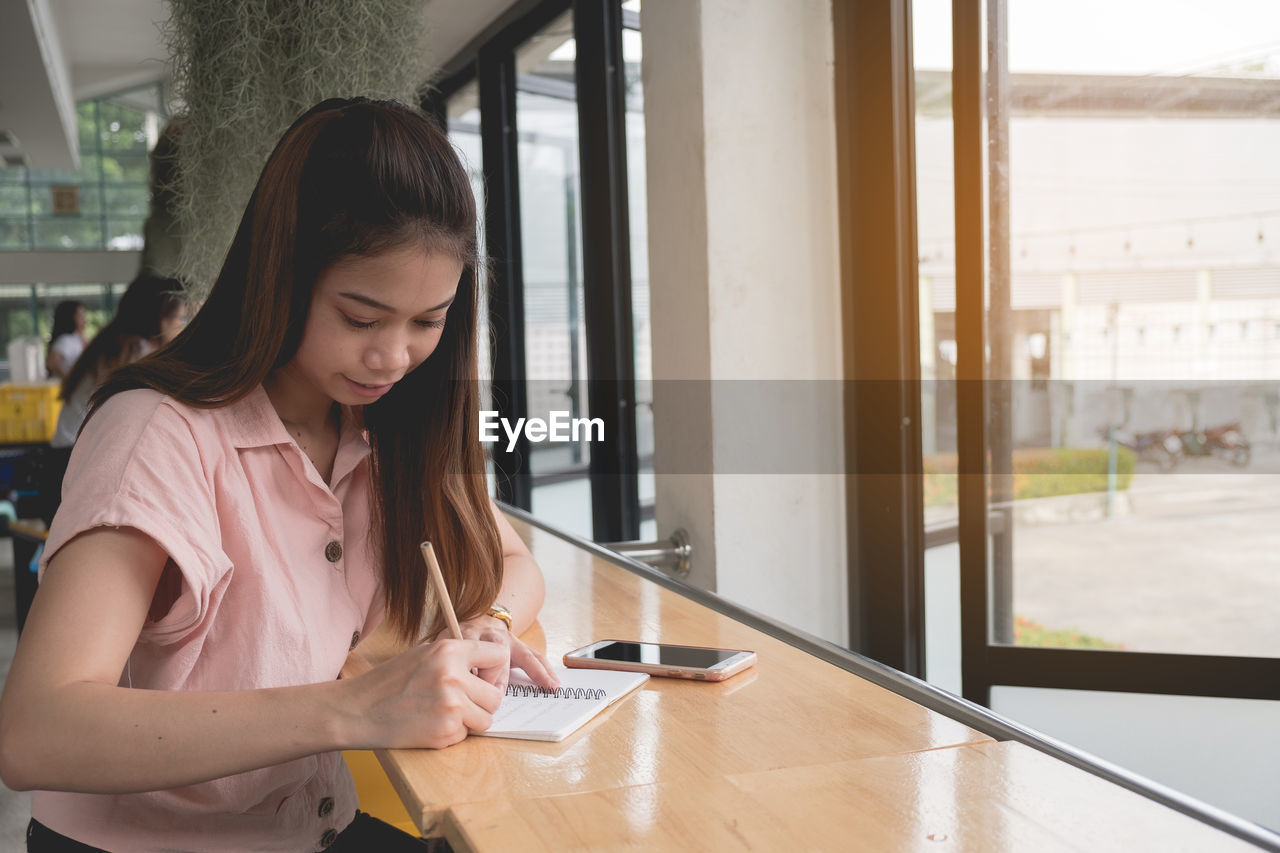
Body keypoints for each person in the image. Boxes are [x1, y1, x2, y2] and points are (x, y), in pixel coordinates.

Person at [0, 97, 558, 852]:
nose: (393, 356)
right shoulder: (160, 435)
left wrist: (489, 627)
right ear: (280, 274)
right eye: (362, 318)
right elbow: (37, 729)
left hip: (307, 819)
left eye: (428, 321)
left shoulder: (387, 425)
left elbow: (515, 561)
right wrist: (352, 707)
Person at [51, 274, 187, 449]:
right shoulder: (136, 351)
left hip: (68, 445)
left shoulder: (112, 341)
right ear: (159, 319)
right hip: (75, 450)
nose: (184, 327)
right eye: (181, 318)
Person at [45, 300, 87, 380]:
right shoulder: (65, 340)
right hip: (65, 387)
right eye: (80, 316)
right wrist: (68, 380)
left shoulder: (78, 339)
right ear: (71, 317)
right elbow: (52, 363)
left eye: (84, 316)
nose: (85, 320)